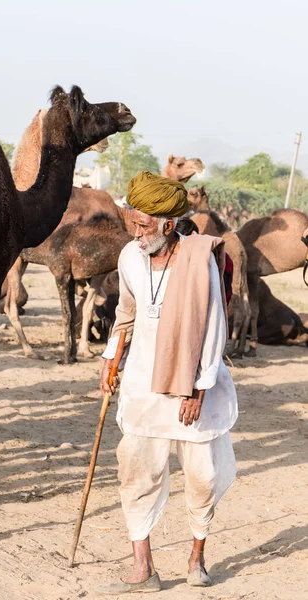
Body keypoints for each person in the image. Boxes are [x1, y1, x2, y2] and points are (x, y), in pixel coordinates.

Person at [96, 171, 238, 595]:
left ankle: (196, 557)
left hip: (193, 384)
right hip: (142, 379)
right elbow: (126, 311)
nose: (137, 234)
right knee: (135, 470)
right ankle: (144, 568)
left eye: (144, 226)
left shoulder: (199, 259)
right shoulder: (129, 257)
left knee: (203, 476)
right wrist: (110, 357)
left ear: (168, 225)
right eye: (132, 223)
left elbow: (215, 324)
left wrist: (199, 387)